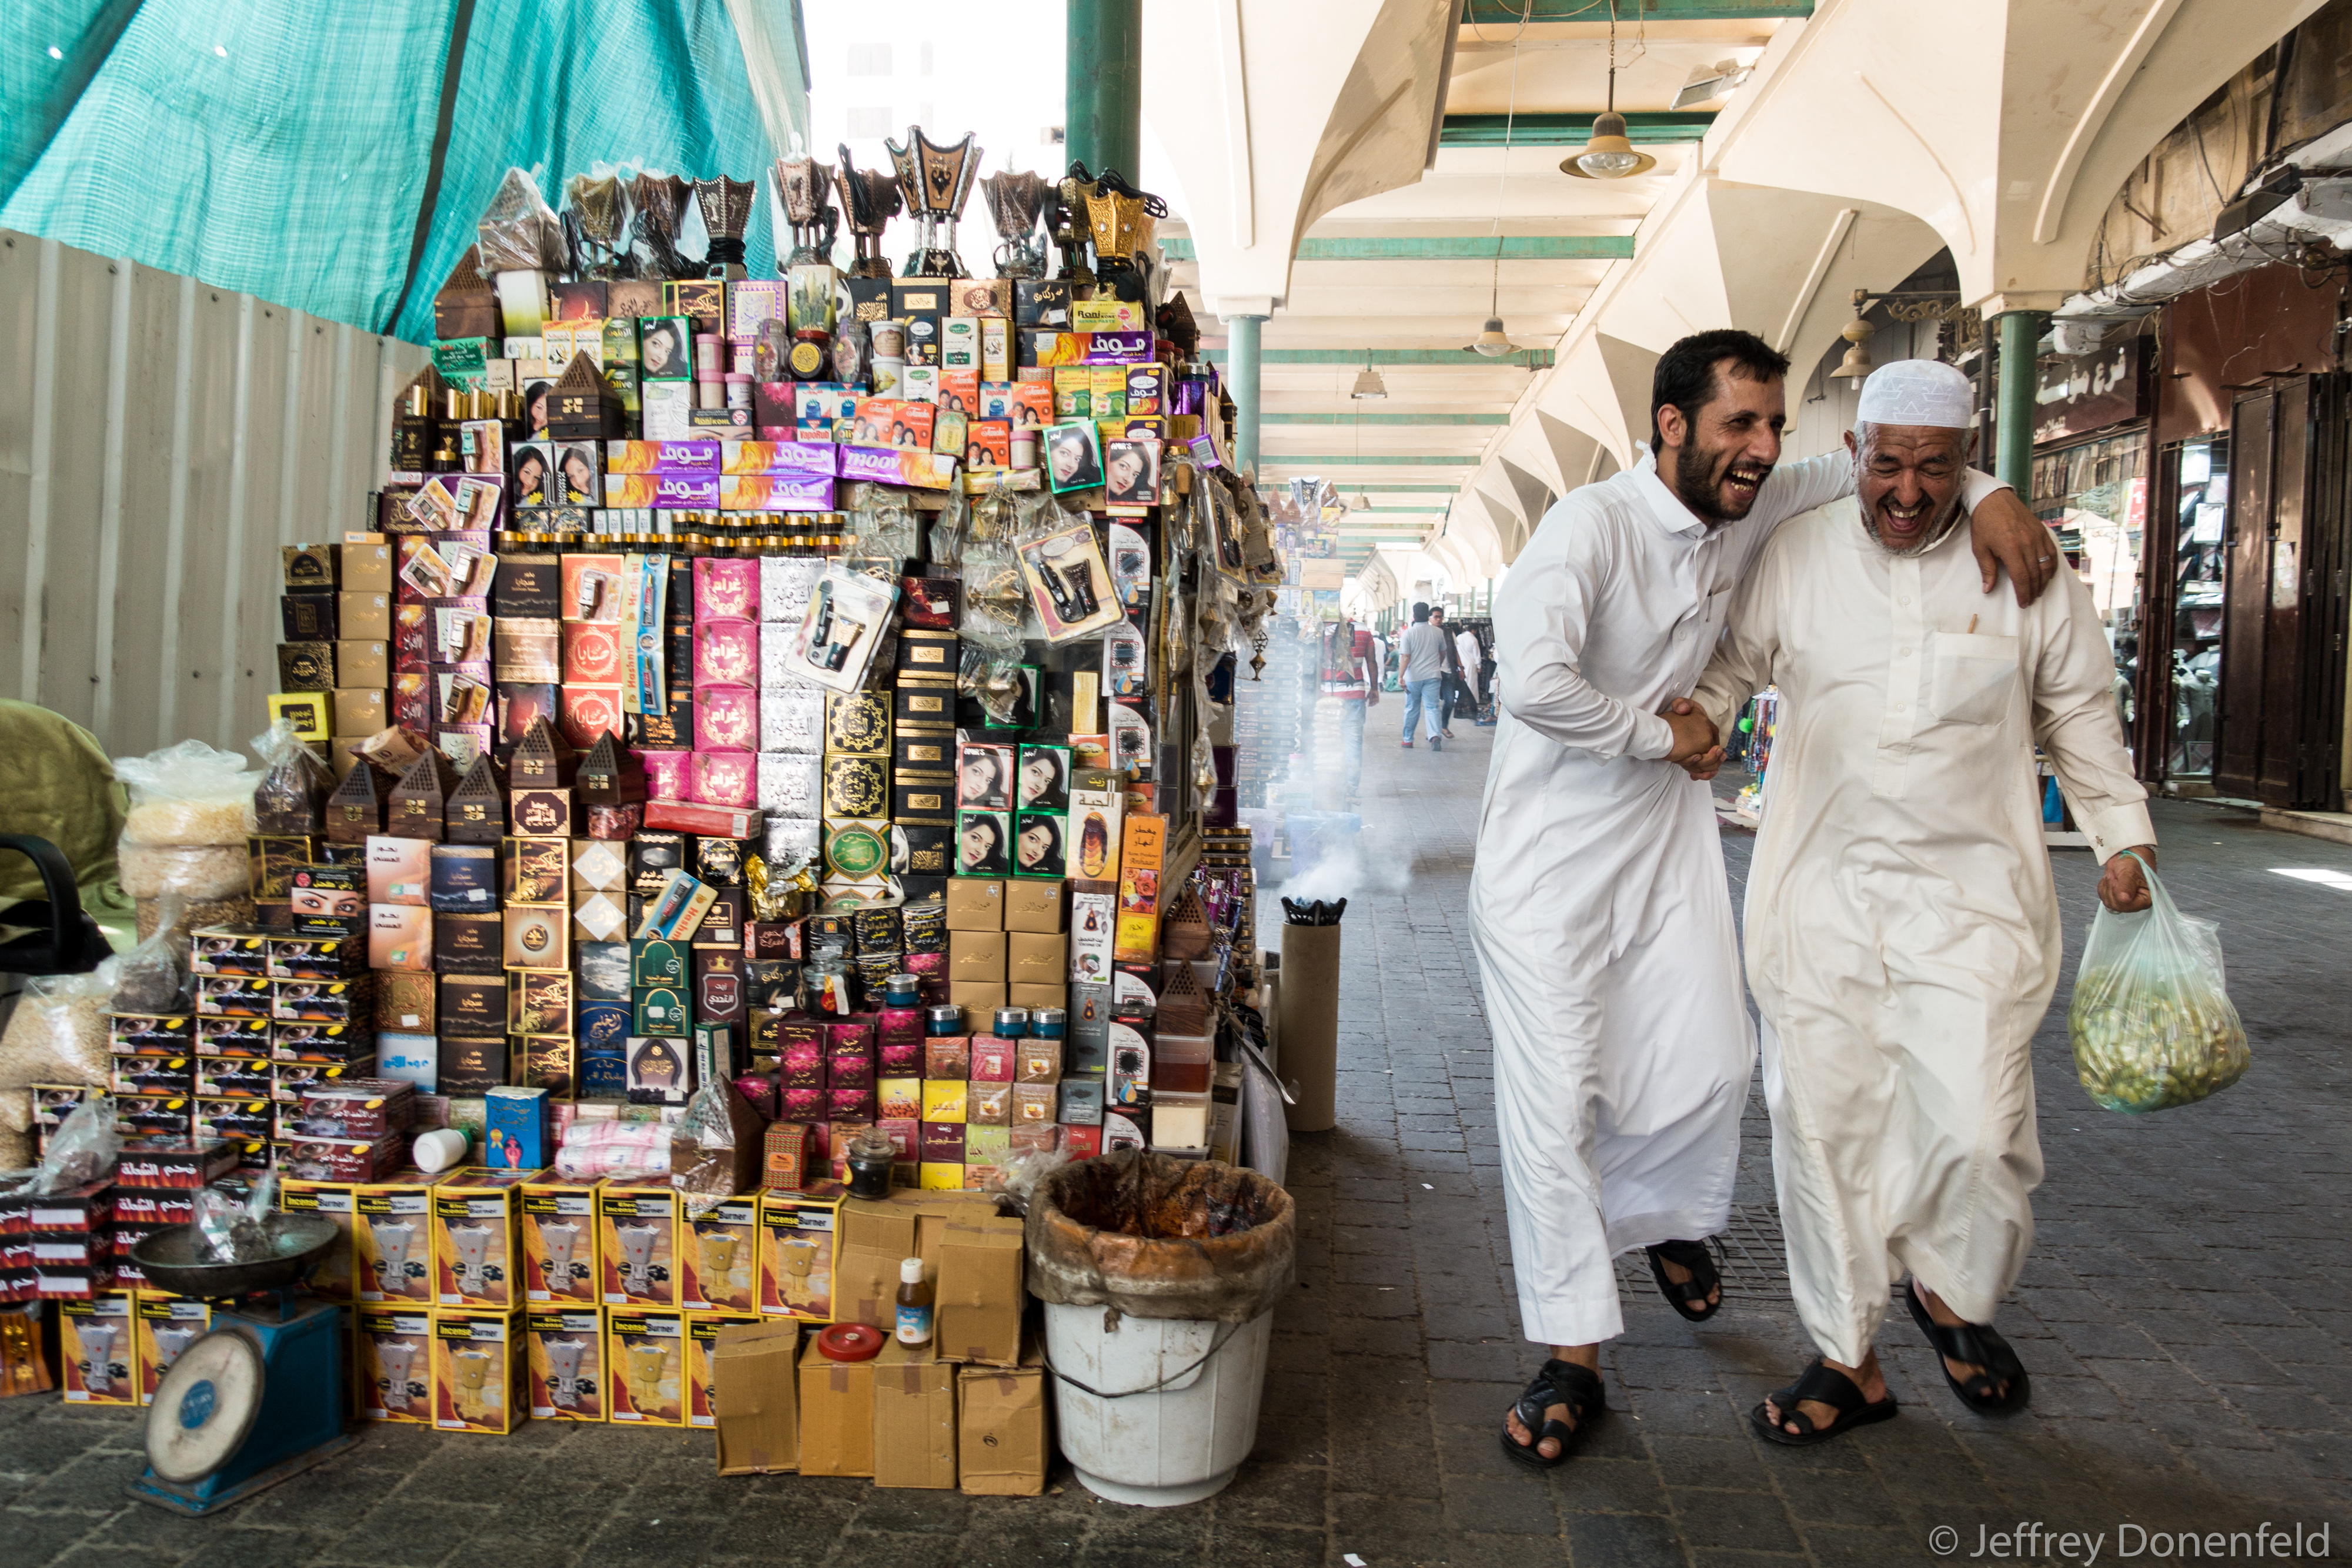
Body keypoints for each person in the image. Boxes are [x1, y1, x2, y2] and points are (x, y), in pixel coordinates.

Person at [1475, 327, 2060, 1471]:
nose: (1760, 447)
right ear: (1670, 424)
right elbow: (1530, 681)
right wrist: (1661, 731)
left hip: (1663, 840)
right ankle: (1569, 1355)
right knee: (1553, 1105)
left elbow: (1884, 465)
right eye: (1738, 423)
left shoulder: (1752, 506)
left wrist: (1986, 493)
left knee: (1710, 1060)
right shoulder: (1586, 529)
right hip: (1545, 865)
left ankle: (1664, 1225)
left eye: (1771, 425)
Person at [1684, 360, 2155, 1446]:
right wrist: (1699, 723)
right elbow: (1732, 665)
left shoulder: (2025, 566)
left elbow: (2079, 708)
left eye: (1935, 467)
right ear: (1854, 456)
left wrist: (2122, 832)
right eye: (1886, 462)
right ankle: (1849, 1357)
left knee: (1983, 1131)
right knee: (1823, 1129)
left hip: (1975, 896)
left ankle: (1945, 1287)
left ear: (1969, 460)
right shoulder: (1797, 555)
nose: (1905, 489)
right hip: (1820, 896)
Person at [1318, 616, 1378, 801]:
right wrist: (1374, 689)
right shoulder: (1364, 630)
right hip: (1355, 695)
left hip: (1329, 695)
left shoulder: (1323, 630)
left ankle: (1327, 785)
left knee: (1328, 741)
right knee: (1353, 743)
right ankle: (1351, 788)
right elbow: (1371, 662)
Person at [1396, 603, 1449, 750]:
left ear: (1414, 616)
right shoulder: (1438, 632)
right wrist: (1436, 666)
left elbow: (1406, 656)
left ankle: (1408, 740)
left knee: (1412, 708)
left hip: (1413, 677)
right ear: (1428, 615)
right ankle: (1435, 736)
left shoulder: (1408, 633)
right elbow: (1443, 652)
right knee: (1433, 707)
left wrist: (1401, 676)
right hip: (1433, 676)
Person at [1431, 606, 1464, 739]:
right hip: (1433, 673)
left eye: (1440, 617)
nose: (1438, 619)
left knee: (1449, 701)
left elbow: (1455, 651)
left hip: (1449, 671)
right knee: (1432, 704)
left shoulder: (1449, 632)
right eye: (1436, 617)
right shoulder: (1429, 632)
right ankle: (1433, 731)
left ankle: (1444, 726)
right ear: (1430, 618)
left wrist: (1461, 668)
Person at [1455, 620, 1486, 715]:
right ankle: (1471, 703)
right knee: (1471, 684)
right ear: (1474, 630)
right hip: (1471, 664)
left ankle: (1459, 702)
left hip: (1460, 664)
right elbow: (1477, 654)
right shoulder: (1473, 639)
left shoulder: (1459, 637)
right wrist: (1479, 666)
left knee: (1462, 683)